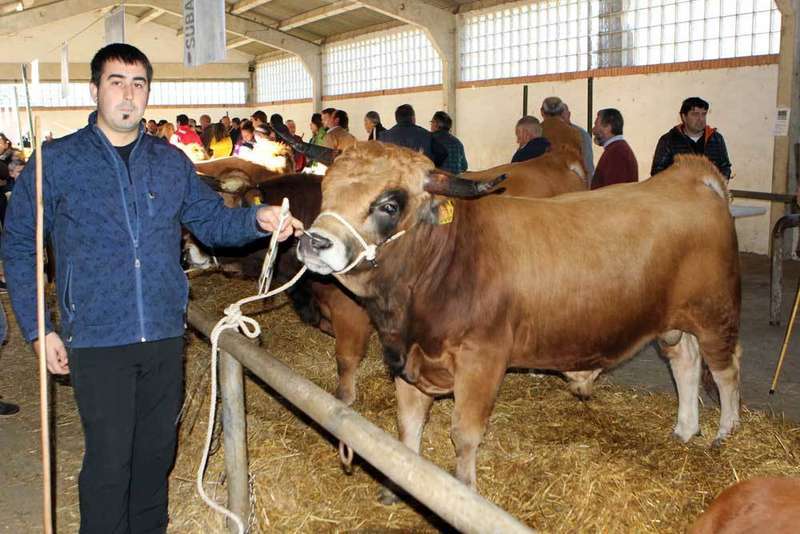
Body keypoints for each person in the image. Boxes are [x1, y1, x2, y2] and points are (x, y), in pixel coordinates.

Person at [1, 43, 303, 534]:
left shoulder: (170, 162)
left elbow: (211, 223)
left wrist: (258, 219)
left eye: (138, 84)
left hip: (163, 333)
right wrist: (39, 328)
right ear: (94, 90)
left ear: (147, 93)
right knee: (110, 461)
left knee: (156, 456)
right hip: (97, 337)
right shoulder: (56, 162)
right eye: (116, 82)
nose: (128, 94)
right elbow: (19, 247)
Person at [651, 96, 732, 179]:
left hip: (710, 186)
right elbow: (657, 171)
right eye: (695, 114)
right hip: (679, 187)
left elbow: (725, 167)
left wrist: (718, 182)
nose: (701, 119)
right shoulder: (668, 140)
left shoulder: (716, 139)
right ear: (684, 117)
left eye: (703, 114)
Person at [380, 104, 447, 167]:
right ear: (413, 118)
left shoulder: (384, 136)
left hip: (395, 174)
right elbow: (442, 153)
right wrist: (430, 165)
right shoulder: (426, 135)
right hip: (420, 173)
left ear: (396, 119)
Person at [590, 108, 638, 189]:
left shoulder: (617, 153)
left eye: (596, 125)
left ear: (608, 128)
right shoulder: (617, 149)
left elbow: (613, 191)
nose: (593, 130)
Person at [562, 103, 594, 177]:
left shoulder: (581, 134)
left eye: (562, 116)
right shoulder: (547, 132)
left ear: (569, 114)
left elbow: (588, 164)